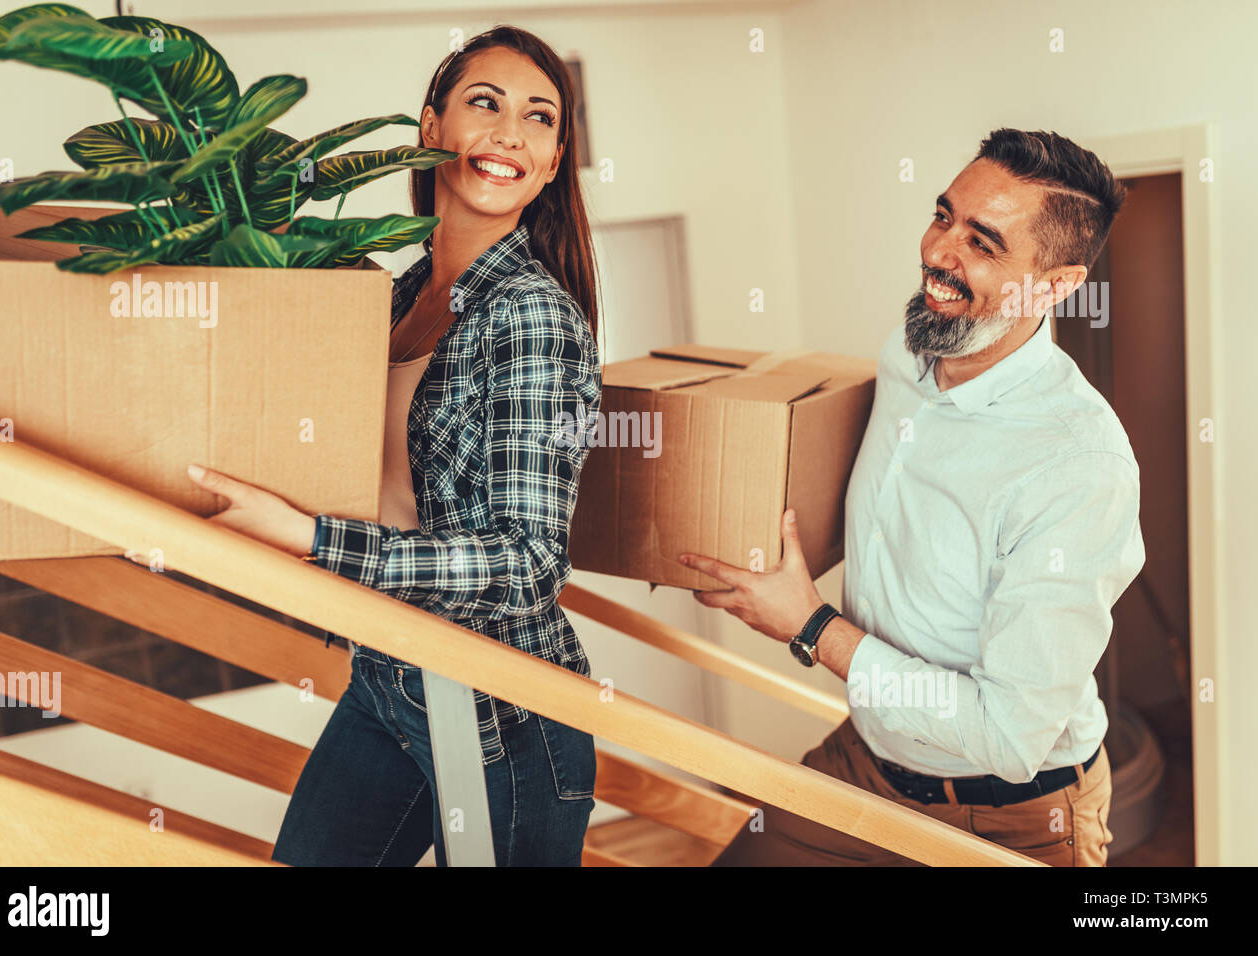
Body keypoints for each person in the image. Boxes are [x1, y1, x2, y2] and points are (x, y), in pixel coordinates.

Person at [183, 26, 602, 866]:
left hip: (503, 712)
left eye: (539, 119)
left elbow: (528, 564)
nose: (509, 133)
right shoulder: (395, 292)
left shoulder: (530, 314)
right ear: (430, 129)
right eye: (485, 104)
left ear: (553, 163)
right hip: (389, 673)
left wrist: (312, 539)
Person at [680, 129, 1144, 867]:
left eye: (982, 242)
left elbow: (1007, 736)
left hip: (1012, 815)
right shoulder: (911, 348)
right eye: (943, 214)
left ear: (1054, 286)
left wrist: (810, 626)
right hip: (866, 765)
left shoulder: (1077, 465)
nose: (937, 250)